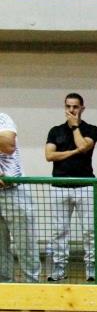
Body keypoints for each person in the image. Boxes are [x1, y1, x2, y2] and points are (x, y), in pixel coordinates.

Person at [44, 92, 97, 282]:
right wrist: (75, 152)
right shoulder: (55, 131)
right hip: (59, 187)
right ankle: (58, 270)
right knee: (59, 231)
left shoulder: (91, 129)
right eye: (68, 106)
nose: (71, 110)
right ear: (64, 107)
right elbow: (50, 156)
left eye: (75, 107)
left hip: (85, 186)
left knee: (90, 231)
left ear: (82, 108)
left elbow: (84, 146)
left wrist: (75, 127)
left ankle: (92, 270)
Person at [0, 112, 41, 283]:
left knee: (26, 245)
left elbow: (8, 145)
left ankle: (33, 288)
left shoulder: (3, 118)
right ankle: (4, 288)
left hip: (14, 191)